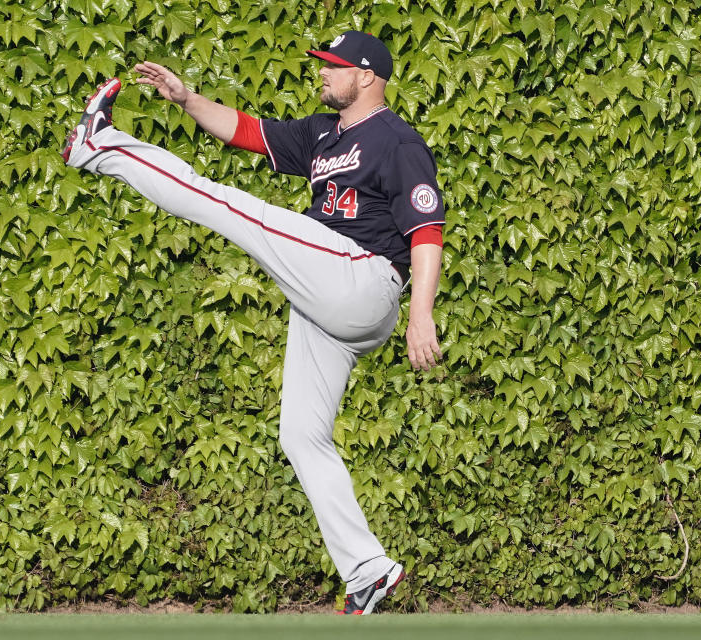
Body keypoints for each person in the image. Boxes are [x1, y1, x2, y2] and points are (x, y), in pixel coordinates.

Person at [60, 31, 445, 615]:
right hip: (330, 301)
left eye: (335, 66)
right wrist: (185, 98)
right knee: (300, 435)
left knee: (237, 208)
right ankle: (367, 569)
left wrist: (422, 314)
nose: (323, 72)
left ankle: (101, 146)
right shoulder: (320, 133)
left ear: (367, 75)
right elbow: (247, 131)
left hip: (363, 278)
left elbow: (426, 230)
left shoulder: (397, 141)